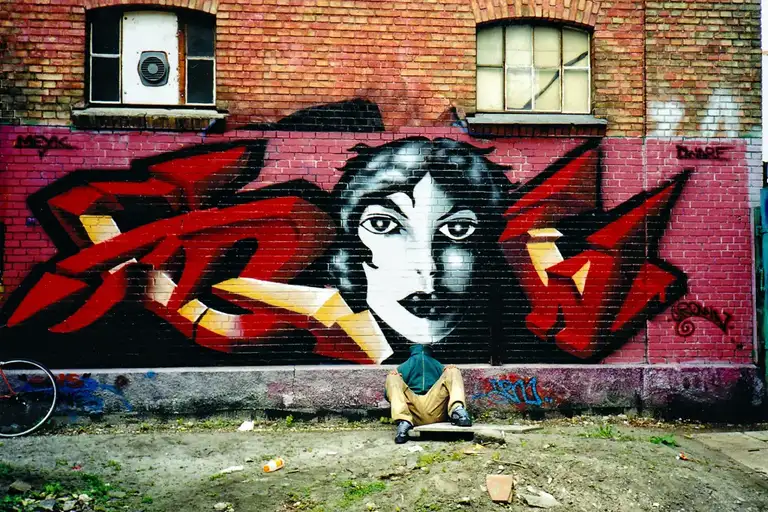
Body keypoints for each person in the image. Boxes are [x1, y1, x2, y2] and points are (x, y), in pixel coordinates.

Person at [385, 344, 472, 443]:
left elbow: (387, 396)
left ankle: (457, 411)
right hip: (413, 413)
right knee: (392, 377)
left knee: (453, 370)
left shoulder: (402, 367)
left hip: (434, 408)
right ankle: (403, 421)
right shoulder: (438, 366)